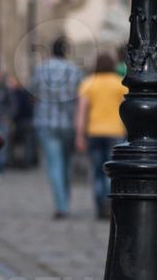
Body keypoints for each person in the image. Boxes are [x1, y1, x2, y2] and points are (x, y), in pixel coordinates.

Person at [33, 37, 83, 219]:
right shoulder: (75, 70)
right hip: (68, 122)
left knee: (54, 164)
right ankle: (66, 200)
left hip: (46, 121)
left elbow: (34, 91)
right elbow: (80, 97)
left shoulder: (40, 69)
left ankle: (61, 205)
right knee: (66, 163)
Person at [74, 51, 126, 221]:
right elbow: (126, 110)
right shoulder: (119, 83)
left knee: (97, 171)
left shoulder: (88, 83)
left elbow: (81, 112)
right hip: (115, 132)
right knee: (111, 171)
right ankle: (109, 203)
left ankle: (99, 206)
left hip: (94, 132)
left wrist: (79, 136)